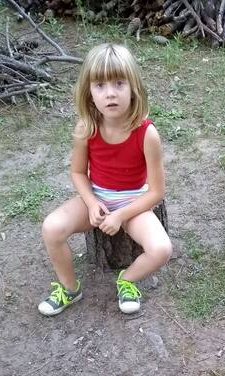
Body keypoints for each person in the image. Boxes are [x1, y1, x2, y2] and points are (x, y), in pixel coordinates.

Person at [38, 42, 172, 316]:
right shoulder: (86, 128)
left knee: (161, 249)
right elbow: (77, 172)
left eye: (119, 83)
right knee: (52, 228)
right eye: (100, 85)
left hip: (134, 201)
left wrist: (120, 215)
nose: (110, 94)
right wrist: (90, 203)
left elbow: (156, 192)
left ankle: (127, 280)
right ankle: (70, 288)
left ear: (133, 87)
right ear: (89, 91)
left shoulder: (147, 134)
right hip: (97, 197)